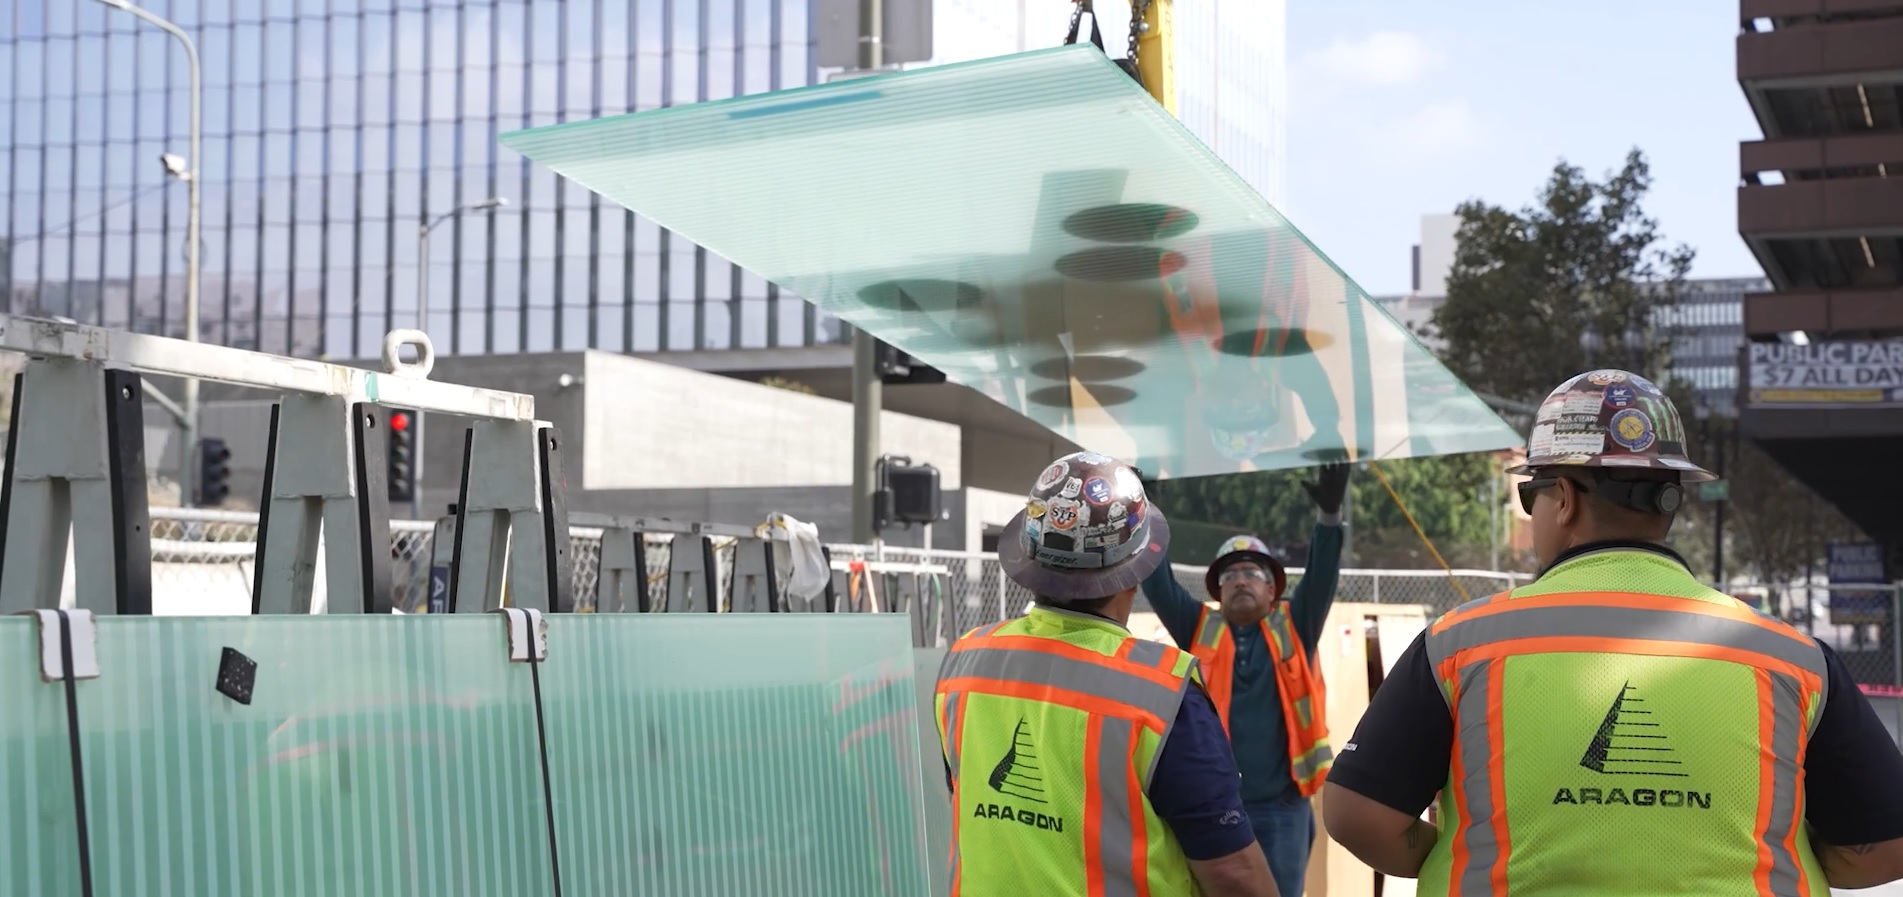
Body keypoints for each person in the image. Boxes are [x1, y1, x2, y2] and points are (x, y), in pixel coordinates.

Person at [1320, 369, 1903, 894]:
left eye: (1531, 493)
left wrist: (1454, 855)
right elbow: (1884, 847)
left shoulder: (1460, 645)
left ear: (1565, 499)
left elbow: (1358, 816)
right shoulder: (1793, 660)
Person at [935, 451, 1280, 897]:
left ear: (1029, 560)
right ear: (1134, 575)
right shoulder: (1160, 693)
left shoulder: (964, 662)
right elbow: (1235, 875)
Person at [1140, 462, 1350, 897]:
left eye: (1252, 573)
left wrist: (1329, 517)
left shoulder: (1296, 625)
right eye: (1230, 575)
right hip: (1213, 804)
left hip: (1282, 807)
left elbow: (1323, 574)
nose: (1240, 580)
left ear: (1274, 590)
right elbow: (1156, 579)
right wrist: (1146, 513)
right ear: (1217, 592)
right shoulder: (1198, 628)